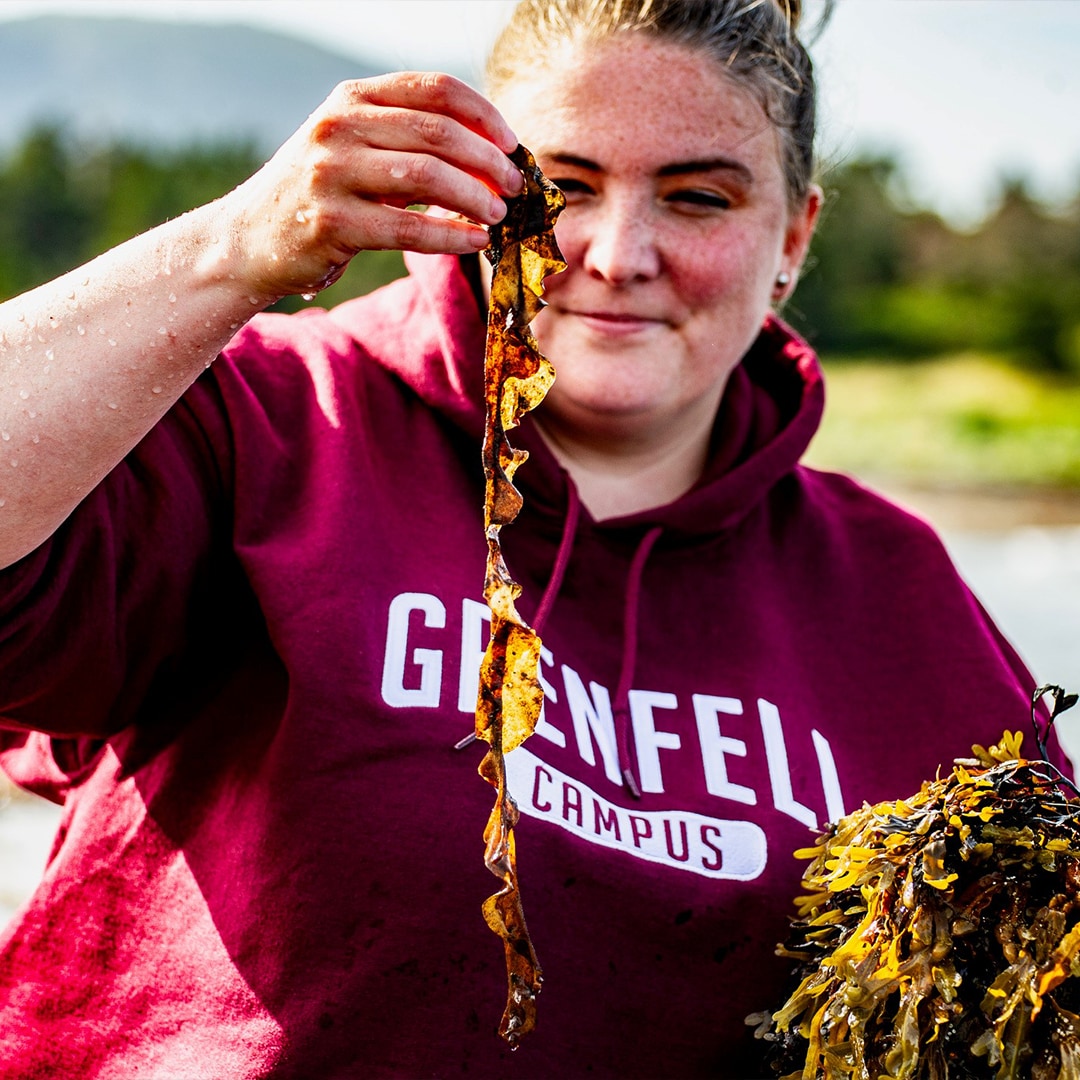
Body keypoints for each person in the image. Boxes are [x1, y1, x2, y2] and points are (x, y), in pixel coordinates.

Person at [0, 1, 1063, 1076]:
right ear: (472, 189)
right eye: (563, 188)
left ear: (792, 238)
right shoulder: (274, 421)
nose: (617, 254)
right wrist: (232, 249)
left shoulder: (894, 589)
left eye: (698, 197)